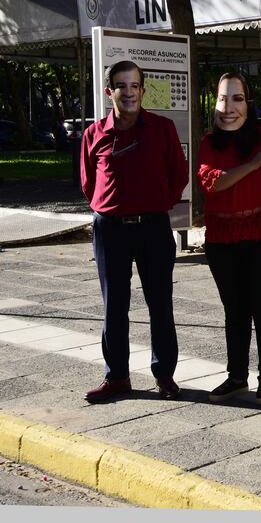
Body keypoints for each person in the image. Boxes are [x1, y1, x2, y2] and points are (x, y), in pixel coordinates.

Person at [81, 60, 188, 402]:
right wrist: (107, 208)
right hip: (110, 230)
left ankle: (165, 374)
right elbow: (87, 182)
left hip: (153, 227)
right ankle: (117, 377)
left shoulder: (162, 128)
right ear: (109, 91)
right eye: (121, 86)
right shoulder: (93, 134)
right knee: (114, 305)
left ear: (143, 90)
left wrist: (158, 203)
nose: (128, 92)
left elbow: (178, 173)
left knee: (160, 303)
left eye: (134, 86)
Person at [197, 72, 261, 405]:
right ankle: (236, 376)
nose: (228, 107)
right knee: (234, 311)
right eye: (222, 98)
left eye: (237, 98)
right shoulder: (208, 142)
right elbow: (213, 183)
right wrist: (252, 165)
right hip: (221, 241)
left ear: (249, 103)